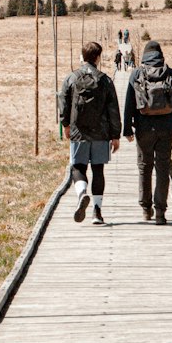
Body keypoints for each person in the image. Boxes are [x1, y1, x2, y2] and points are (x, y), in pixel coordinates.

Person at [123, 39, 172, 224]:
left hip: (143, 127)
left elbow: (129, 104)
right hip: (166, 128)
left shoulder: (136, 74)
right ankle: (160, 212)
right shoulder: (171, 73)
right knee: (162, 168)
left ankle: (145, 209)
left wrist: (127, 129)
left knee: (145, 167)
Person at [58, 41, 121, 225]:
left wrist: (66, 125)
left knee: (78, 168)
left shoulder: (71, 78)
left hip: (78, 132)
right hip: (101, 133)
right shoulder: (105, 80)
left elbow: (64, 103)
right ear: (98, 58)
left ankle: (81, 193)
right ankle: (97, 212)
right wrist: (115, 135)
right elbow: (113, 110)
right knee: (98, 170)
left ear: (82, 56)